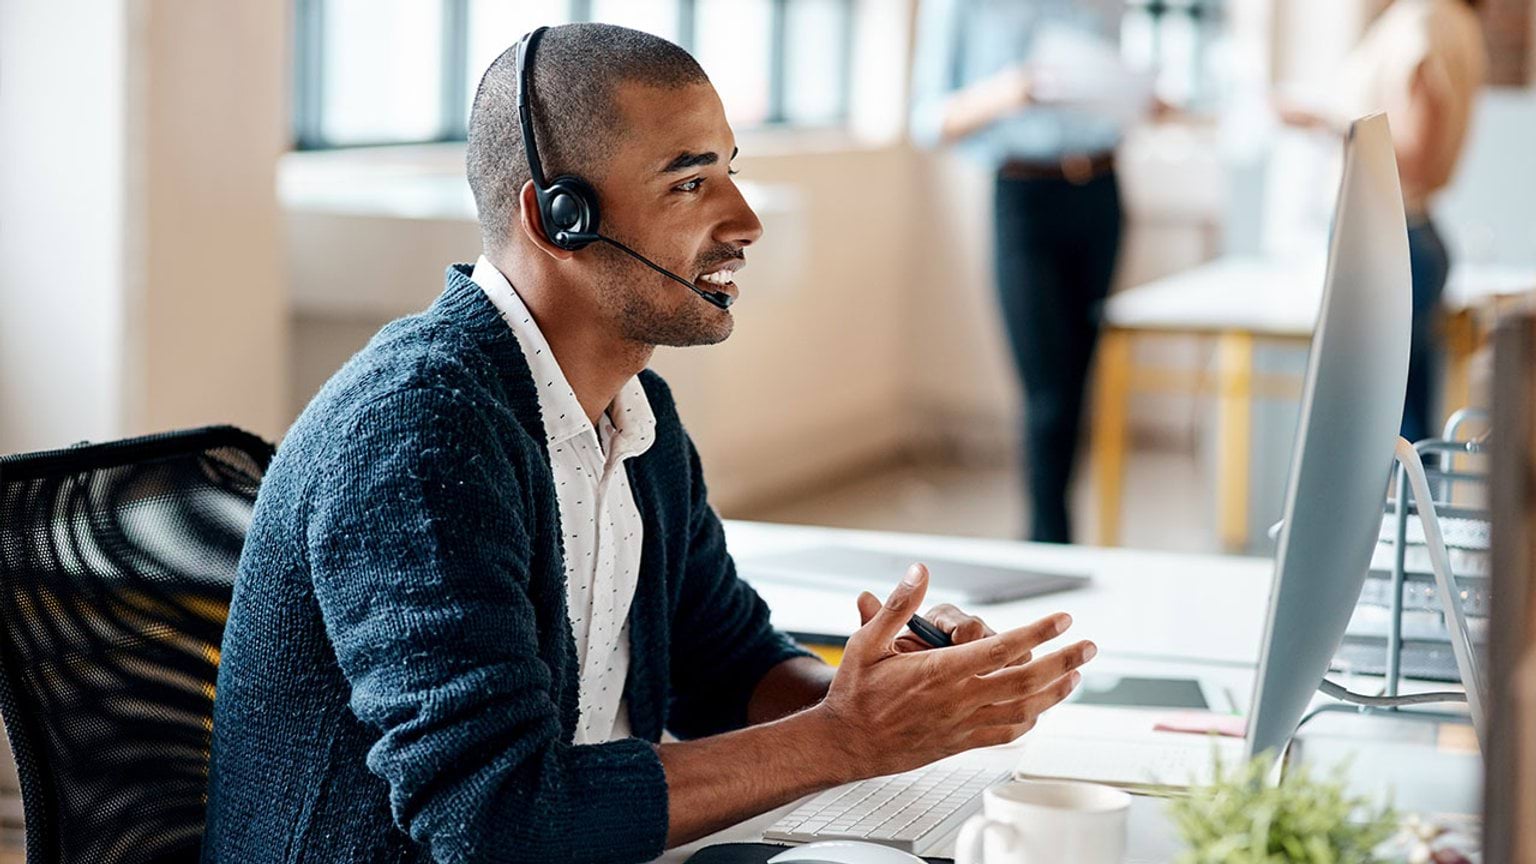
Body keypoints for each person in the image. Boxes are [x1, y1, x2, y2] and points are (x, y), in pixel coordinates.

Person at [202, 23, 1095, 863]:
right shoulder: (421, 436)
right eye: (689, 182)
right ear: (560, 218)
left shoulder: (632, 413)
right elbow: (495, 818)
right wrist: (842, 740)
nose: (745, 220)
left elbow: (727, 663)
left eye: (730, 172)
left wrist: (890, 699)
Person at [910, 0, 1150, 544]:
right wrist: (1006, 92)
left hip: (1103, 191)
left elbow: (1115, 88)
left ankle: (1060, 534)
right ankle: (1048, 538)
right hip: (1024, 195)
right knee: (1046, 390)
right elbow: (927, 119)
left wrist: (1138, 99)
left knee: (1079, 381)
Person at [1277, 0, 1487, 443]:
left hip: (1390, 239)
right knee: (1400, 426)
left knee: (1381, 436)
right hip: (1409, 234)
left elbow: (1412, 154)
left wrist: (1320, 121)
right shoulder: (1454, 22)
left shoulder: (1425, 24)